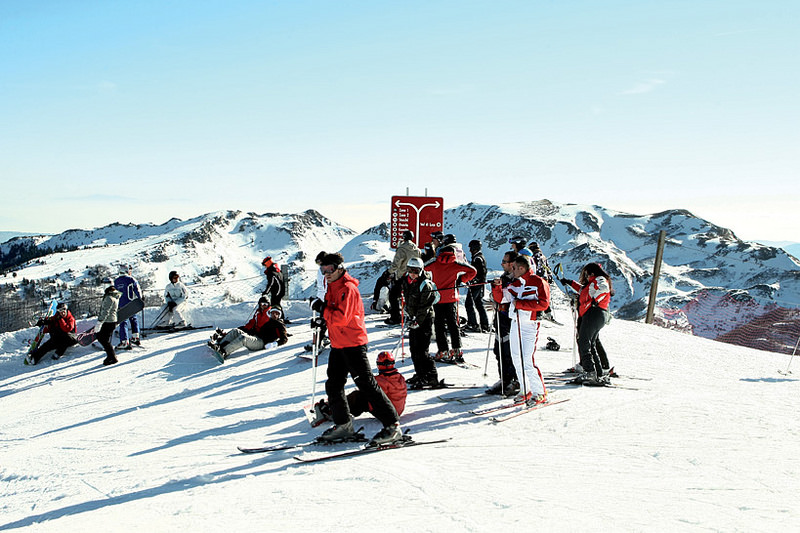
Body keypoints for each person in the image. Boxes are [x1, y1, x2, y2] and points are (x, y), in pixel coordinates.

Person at [315, 252, 402, 447]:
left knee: (367, 384)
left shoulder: (348, 288)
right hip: (338, 344)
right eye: (323, 270)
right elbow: (332, 313)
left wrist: (323, 310)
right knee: (334, 385)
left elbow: (342, 318)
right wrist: (323, 317)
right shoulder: (332, 286)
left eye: (329, 269)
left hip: (353, 344)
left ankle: (392, 425)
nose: (326, 273)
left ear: (339, 268)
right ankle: (344, 424)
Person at [312, 351, 407, 425]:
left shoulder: (380, 380)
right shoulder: (400, 377)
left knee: (359, 397)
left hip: (387, 413)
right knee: (364, 395)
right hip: (397, 411)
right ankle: (338, 407)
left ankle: (333, 410)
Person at [504, 255, 549, 404]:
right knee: (516, 358)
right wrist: (497, 287)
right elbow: (502, 298)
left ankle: (539, 392)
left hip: (529, 325)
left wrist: (520, 304)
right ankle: (525, 389)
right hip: (515, 323)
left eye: (515, 267)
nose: (512, 270)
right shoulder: (516, 283)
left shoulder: (538, 282)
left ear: (522, 268)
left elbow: (543, 304)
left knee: (527, 360)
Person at [560, 262, 614, 385]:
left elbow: (604, 288)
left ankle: (590, 371)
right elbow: (583, 290)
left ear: (592, 273)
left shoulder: (599, 280)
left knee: (584, 342)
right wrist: (570, 282)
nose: (586, 276)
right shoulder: (591, 284)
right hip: (594, 314)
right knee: (591, 343)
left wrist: (596, 300)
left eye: (587, 274)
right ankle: (598, 372)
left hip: (593, 313)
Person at [425, 244, 476, 364]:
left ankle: (443, 351)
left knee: (439, 325)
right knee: (453, 324)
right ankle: (457, 349)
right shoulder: (456, 264)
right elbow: (473, 271)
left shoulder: (435, 263)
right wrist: (461, 279)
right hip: (452, 298)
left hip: (437, 298)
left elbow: (423, 268)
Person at [401, 256, 440, 389]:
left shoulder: (425, 284)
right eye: (410, 270)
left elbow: (425, 306)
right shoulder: (407, 281)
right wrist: (408, 313)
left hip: (425, 319)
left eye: (416, 271)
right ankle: (420, 374)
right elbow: (408, 299)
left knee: (422, 350)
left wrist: (417, 320)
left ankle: (431, 377)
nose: (413, 274)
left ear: (421, 270)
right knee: (414, 349)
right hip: (414, 319)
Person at [487, 251, 520, 396]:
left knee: (510, 352)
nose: (502, 264)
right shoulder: (503, 277)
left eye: (505, 261)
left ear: (512, 264)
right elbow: (496, 296)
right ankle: (504, 379)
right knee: (498, 350)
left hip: (511, 319)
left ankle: (515, 380)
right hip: (500, 319)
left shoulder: (518, 281)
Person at [210, 298, 288, 359]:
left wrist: (274, 344)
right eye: (273, 313)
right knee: (236, 331)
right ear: (270, 313)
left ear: (279, 315)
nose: (275, 315)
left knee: (243, 338)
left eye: (277, 314)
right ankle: (219, 345)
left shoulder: (279, 324)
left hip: (262, 343)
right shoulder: (269, 322)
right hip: (256, 337)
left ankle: (223, 352)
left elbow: (284, 339)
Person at [385, 230, 421, 325]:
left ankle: (395, 317)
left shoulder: (402, 249)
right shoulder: (417, 249)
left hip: (403, 275)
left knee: (393, 296)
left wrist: (389, 272)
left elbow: (396, 264)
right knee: (410, 296)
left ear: (404, 237)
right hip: (414, 276)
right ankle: (412, 316)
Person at [464, 239, 490, 333]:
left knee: (469, 303)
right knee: (479, 304)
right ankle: (484, 324)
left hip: (476, 285)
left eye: (471, 248)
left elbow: (480, 272)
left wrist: (473, 280)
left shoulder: (477, 259)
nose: (470, 250)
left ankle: (473, 324)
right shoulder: (479, 257)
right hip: (479, 284)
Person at [114, 264, 142, 349]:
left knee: (123, 322)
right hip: (131, 303)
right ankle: (135, 337)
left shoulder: (116, 281)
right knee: (134, 319)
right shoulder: (131, 279)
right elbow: (137, 289)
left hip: (121, 304)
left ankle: (124, 341)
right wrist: (140, 299)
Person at [307, 251, 330, 352]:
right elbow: (321, 287)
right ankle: (321, 339)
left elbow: (327, 286)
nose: (319, 265)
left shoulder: (329, 270)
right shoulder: (320, 270)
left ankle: (319, 342)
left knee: (324, 321)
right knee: (321, 321)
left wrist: (324, 298)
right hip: (322, 298)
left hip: (328, 299)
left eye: (320, 262)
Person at [96, 281, 120, 366]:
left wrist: (100, 322)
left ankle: (112, 357)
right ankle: (110, 356)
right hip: (112, 321)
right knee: (103, 338)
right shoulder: (114, 296)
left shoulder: (109, 297)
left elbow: (105, 311)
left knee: (102, 338)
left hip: (108, 321)